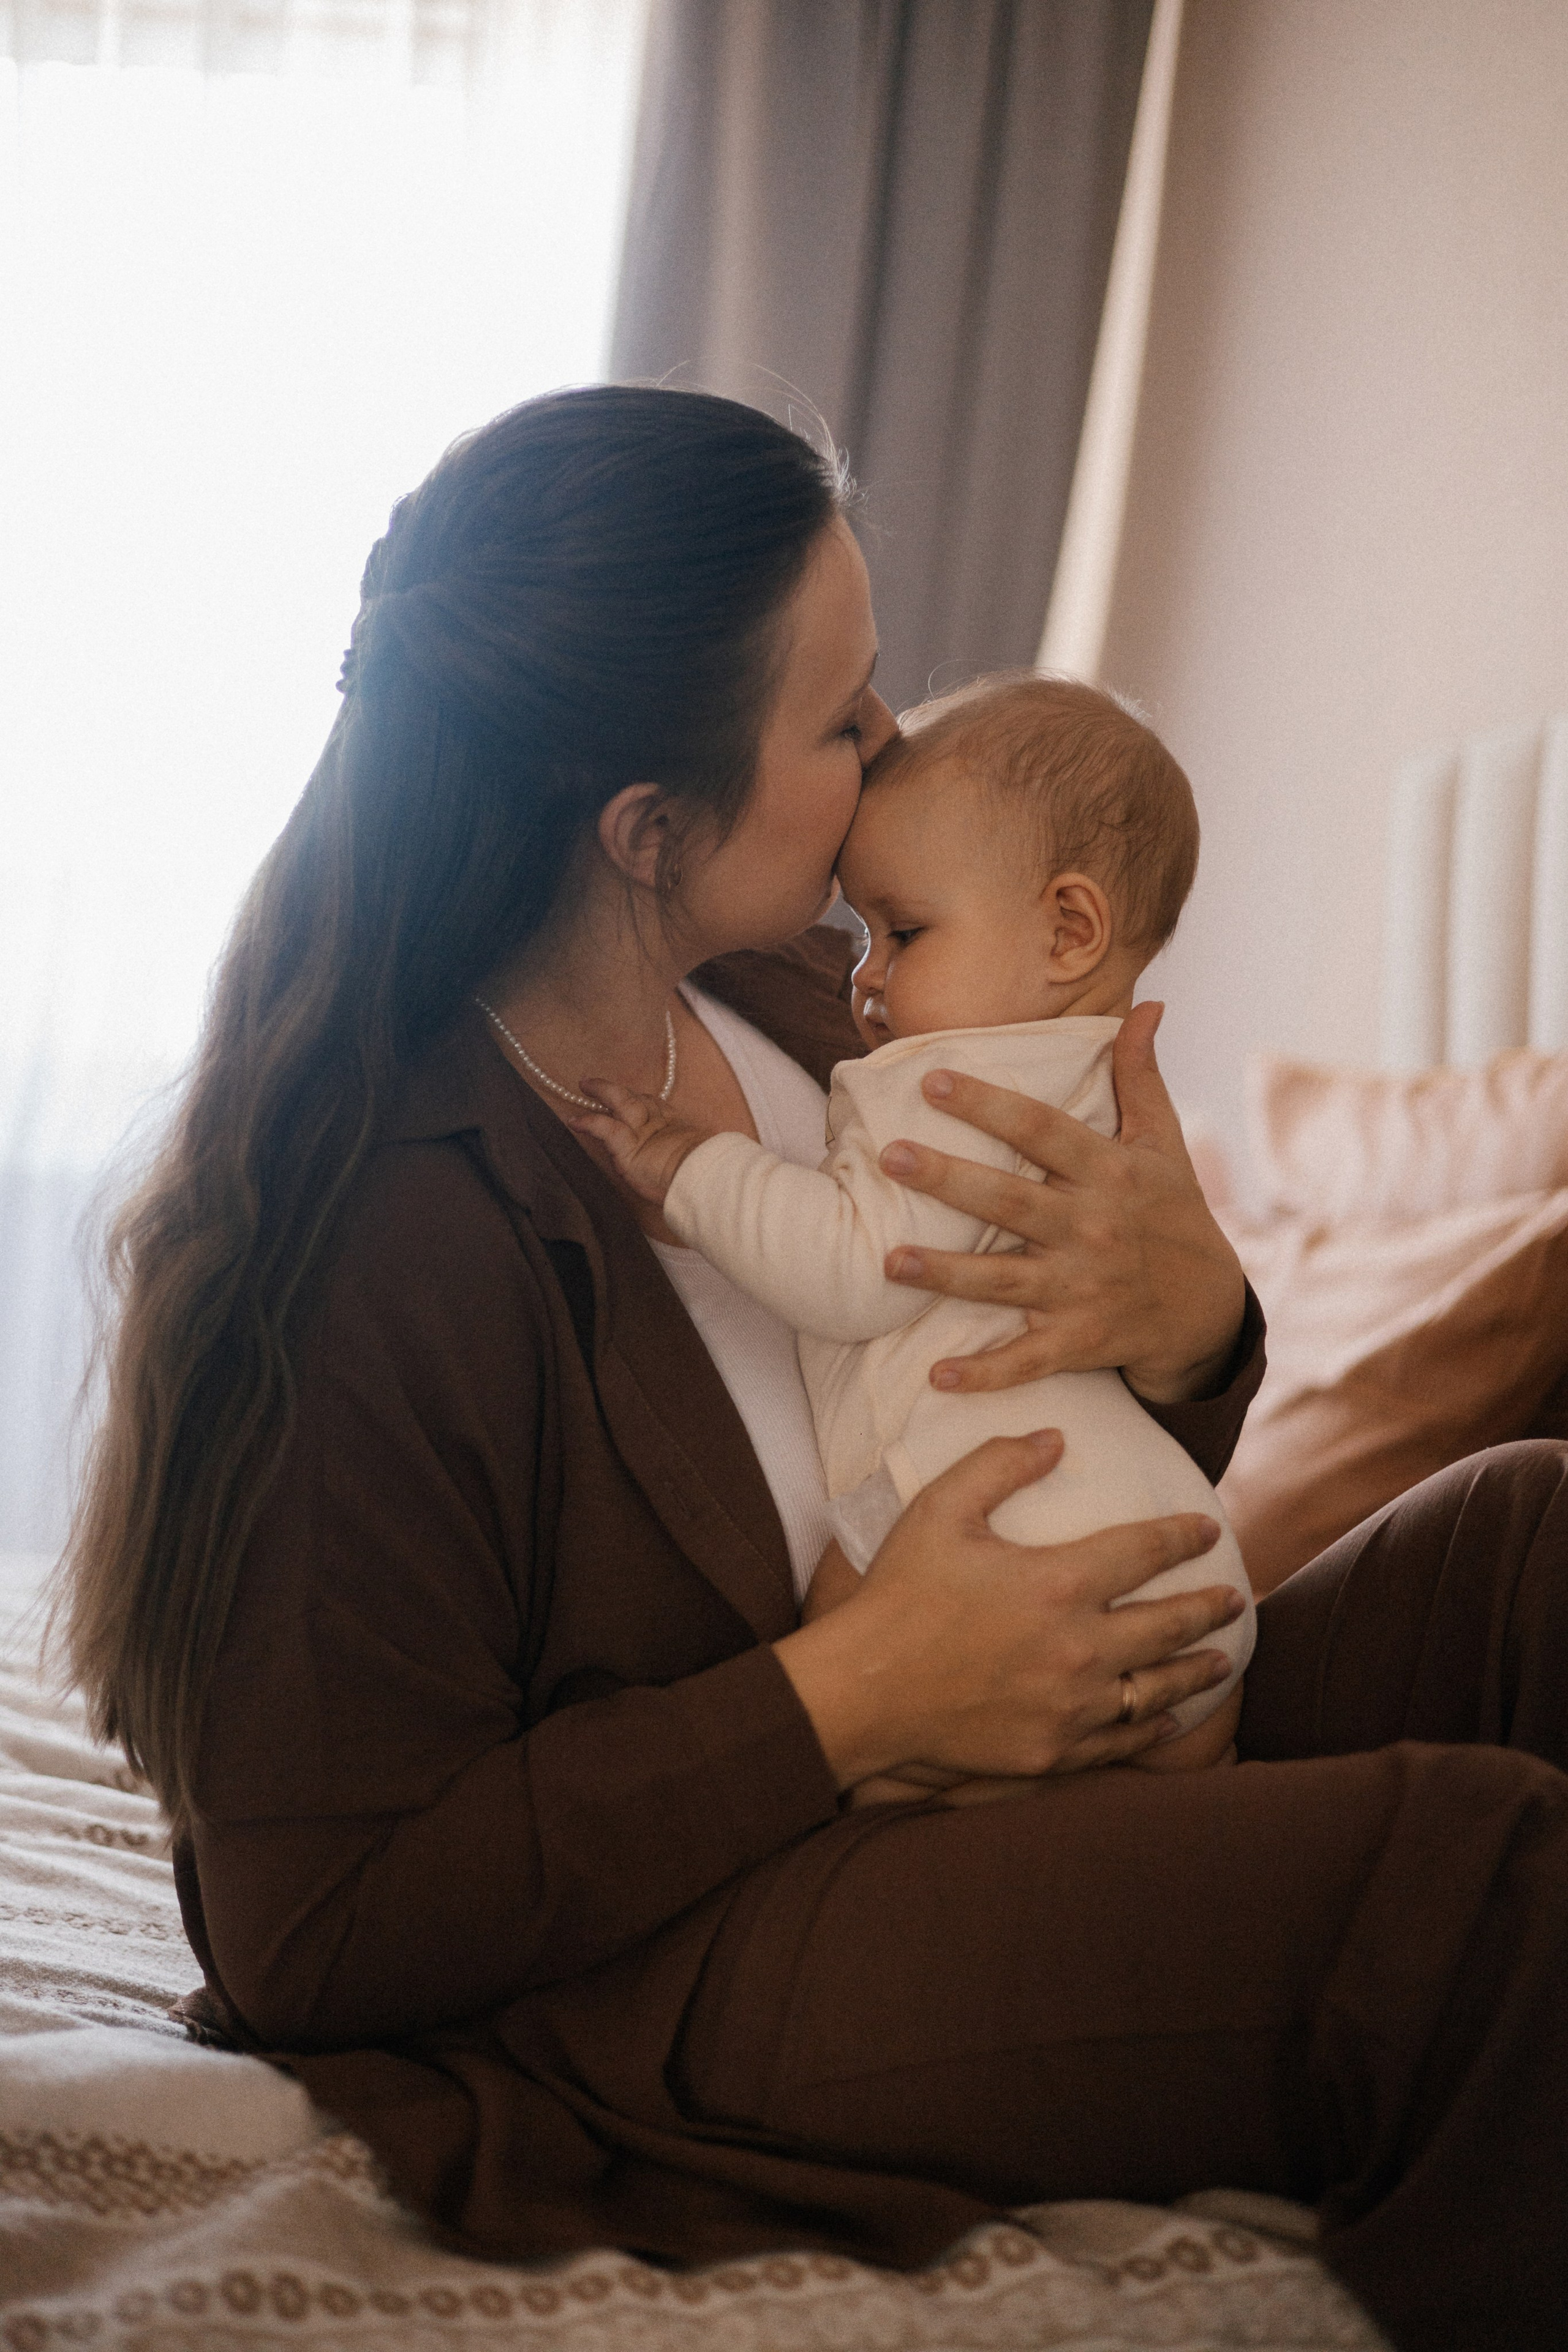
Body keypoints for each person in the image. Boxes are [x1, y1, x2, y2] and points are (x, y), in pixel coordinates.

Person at [56, 385, 1568, 2352]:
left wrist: (1193, 1319)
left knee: (1534, 1530)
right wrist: (847, 1696)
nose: (896, 753)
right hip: (704, 1928)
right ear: (646, 828)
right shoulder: (385, 1225)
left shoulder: (817, 996)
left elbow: (1036, 1388)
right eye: (845, 718)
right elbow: (317, 1927)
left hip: (999, 1764)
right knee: (1488, 1885)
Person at [571, 674, 1254, 1777]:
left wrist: (689, 1164)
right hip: (1138, 1554)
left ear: (1070, 930)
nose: (868, 975)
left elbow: (857, 1263)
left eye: (903, 932)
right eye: (841, 715)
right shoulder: (1048, 1061)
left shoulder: (949, 1078)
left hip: (1063, 1548)